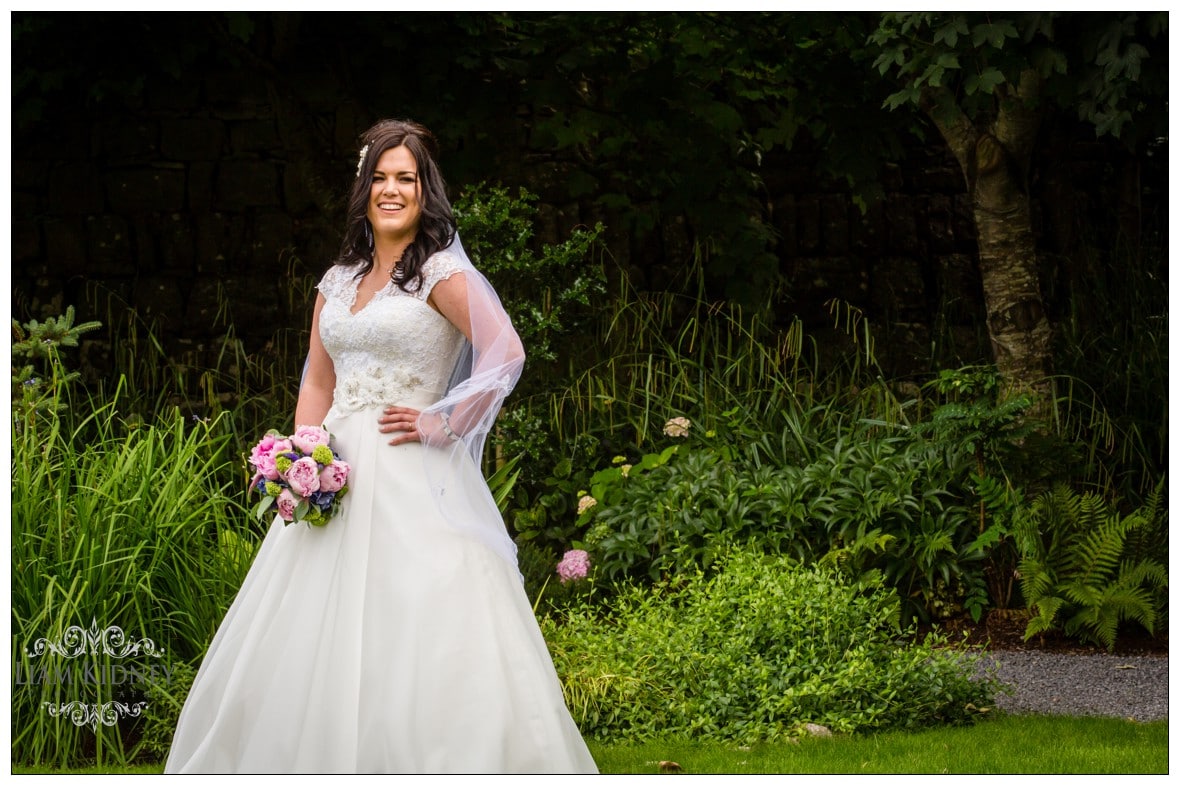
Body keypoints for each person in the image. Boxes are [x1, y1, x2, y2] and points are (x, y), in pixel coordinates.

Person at [165, 119, 598, 774]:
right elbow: (318, 375)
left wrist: (442, 422)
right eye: (381, 177)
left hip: (411, 477)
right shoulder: (338, 280)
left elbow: (506, 352)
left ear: (425, 191)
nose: (391, 190)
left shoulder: (440, 274)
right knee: (313, 630)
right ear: (363, 187)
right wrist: (301, 454)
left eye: (407, 178)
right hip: (333, 479)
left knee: (421, 623)